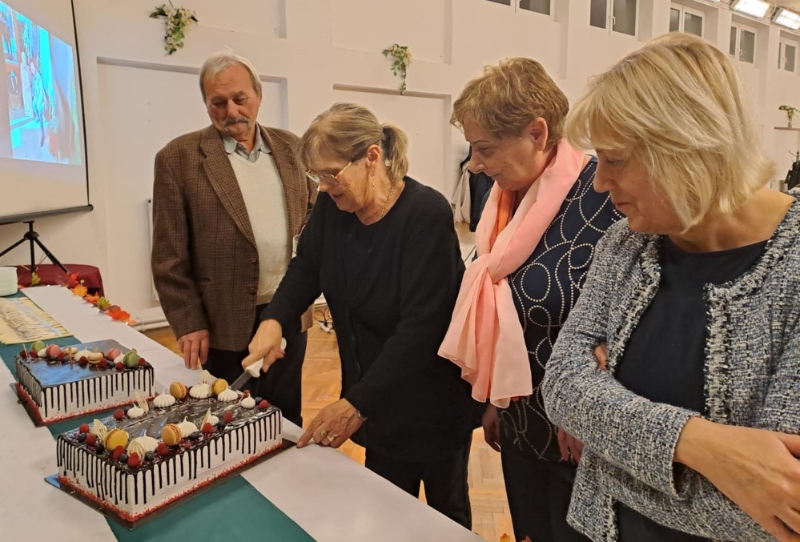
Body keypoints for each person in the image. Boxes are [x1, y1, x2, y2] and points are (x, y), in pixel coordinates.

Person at [542, 33, 800, 542]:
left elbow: (772, 510)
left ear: (687, 149)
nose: (599, 182)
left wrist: (608, 447)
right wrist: (701, 445)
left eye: (616, 160)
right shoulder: (626, 243)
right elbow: (562, 385)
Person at [243, 103, 478, 529]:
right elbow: (306, 268)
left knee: (445, 521)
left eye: (331, 174)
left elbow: (421, 330)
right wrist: (274, 321)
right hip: (374, 397)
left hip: (430, 405)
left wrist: (355, 405)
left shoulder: (425, 215)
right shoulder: (333, 208)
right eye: (316, 176)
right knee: (385, 515)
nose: (323, 186)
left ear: (371, 157)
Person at [438, 58, 621, 542]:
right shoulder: (505, 197)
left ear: (537, 133)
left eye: (485, 149)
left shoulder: (604, 197)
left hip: (580, 436)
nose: (474, 164)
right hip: (520, 420)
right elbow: (503, 311)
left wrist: (587, 407)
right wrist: (495, 399)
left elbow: (624, 325)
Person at [151, 51, 315, 426]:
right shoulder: (178, 159)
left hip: (289, 311)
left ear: (259, 95)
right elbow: (168, 255)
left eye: (240, 99)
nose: (231, 111)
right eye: (218, 102)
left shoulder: (293, 148)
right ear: (206, 104)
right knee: (227, 423)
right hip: (221, 320)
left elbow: (311, 218)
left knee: (287, 416)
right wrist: (188, 321)